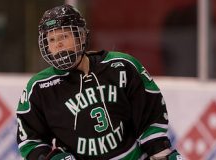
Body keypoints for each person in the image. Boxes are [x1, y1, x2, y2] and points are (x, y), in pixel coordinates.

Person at [16, 4, 182, 160]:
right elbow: (30, 141)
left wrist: (160, 151)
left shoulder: (121, 67)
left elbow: (149, 114)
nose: (58, 44)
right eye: (51, 40)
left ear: (80, 36)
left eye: (64, 36)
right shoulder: (39, 88)